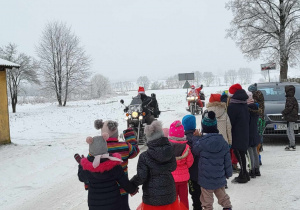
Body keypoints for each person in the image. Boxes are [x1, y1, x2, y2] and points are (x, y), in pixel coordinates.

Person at [130, 121, 188, 210]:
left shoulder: (145, 156)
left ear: (149, 139)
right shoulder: (170, 150)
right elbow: (173, 167)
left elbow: (141, 177)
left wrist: (132, 184)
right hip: (169, 194)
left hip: (152, 197)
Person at [77, 135, 138, 210]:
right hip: (114, 203)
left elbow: (81, 178)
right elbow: (124, 182)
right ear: (105, 147)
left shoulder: (87, 167)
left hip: (95, 205)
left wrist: (81, 164)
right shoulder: (114, 166)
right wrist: (133, 190)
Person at [92, 119, 140, 210]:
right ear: (116, 133)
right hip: (121, 190)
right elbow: (135, 151)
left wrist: (88, 184)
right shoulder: (125, 147)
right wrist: (129, 134)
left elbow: (89, 167)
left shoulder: (96, 150)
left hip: (100, 191)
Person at [192, 111, 233, 210]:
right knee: (222, 196)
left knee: (207, 201)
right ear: (215, 126)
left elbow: (194, 150)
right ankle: (227, 207)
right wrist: (228, 173)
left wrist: (196, 138)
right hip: (219, 177)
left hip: (205, 179)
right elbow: (227, 160)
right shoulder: (223, 142)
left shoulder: (201, 142)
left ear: (203, 127)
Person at [227, 83, 250, 183]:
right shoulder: (243, 102)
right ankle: (244, 173)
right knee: (241, 152)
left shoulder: (233, 106)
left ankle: (244, 175)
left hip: (237, 133)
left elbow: (230, 121)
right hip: (244, 131)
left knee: (238, 152)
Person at [168, 120, 194, 209]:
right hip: (183, 179)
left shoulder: (167, 147)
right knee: (184, 198)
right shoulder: (186, 147)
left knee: (173, 199)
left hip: (171, 179)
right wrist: (184, 167)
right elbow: (190, 162)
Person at [182, 115, 202, 210]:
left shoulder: (184, 140)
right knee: (200, 193)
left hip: (191, 173)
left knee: (194, 193)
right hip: (201, 171)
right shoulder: (199, 136)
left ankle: (196, 206)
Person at [248, 83, 265, 165]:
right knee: (259, 136)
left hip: (257, 119)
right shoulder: (260, 95)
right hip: (261, 118)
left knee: (255, 140)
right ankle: (259, 158)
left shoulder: (254, 101)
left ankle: (257, 160)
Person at [246, 91, 261, 178]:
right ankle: (257, 169)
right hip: (255, 132)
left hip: (248, 133)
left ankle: (251, 170)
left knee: (250, 151)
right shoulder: (256, 107)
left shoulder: (247, 109)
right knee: (255, 151)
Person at [282, 85, 298, 151]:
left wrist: (283, 112)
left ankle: (292, 145)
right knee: (289, 130)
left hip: (290, 117)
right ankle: (291, 144)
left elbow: (289, 108)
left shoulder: (290, 99)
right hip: (291, 117)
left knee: (290, 131)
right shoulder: (292, 98)